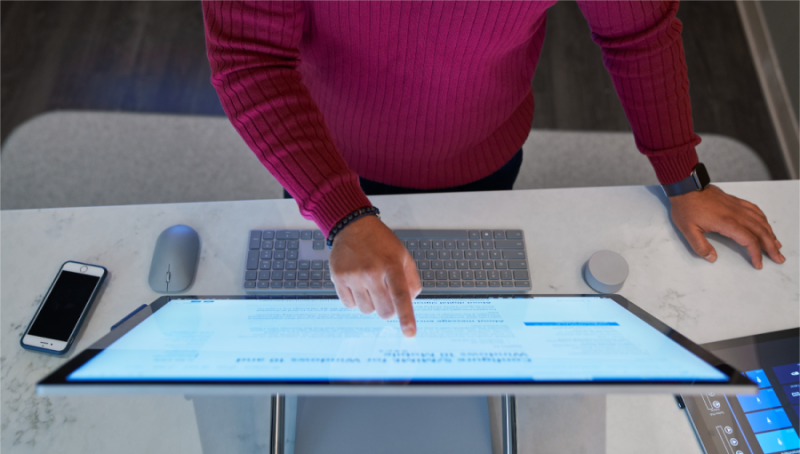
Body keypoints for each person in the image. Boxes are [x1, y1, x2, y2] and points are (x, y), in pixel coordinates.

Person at [203, 0, 784, 337]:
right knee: (333, 336)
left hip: (484, 153)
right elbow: (250, 56)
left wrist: (684, 176)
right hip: (324, 155)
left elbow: (637, 30)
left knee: (468, 330)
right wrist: (341, 214)